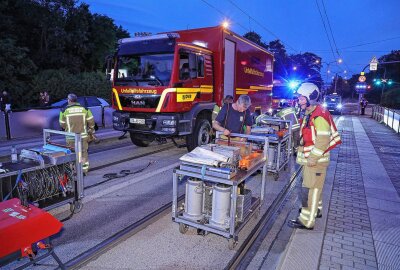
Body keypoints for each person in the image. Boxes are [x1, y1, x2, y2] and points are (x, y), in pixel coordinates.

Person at [288, 83, 341, 230]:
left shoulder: (318, 116)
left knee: (310, 190)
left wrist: (312, 158)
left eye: (301, 97)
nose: (299, 99)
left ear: (310, 98)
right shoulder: (312, 112)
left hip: (315, 161)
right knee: (315, 187)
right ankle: (315, 211)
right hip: (313, 160)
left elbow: (323, 141)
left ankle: (306, 220)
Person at [59, 93, 95, 175]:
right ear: (76, 100)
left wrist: (68, 128)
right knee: (83, 153)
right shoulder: (85, 109)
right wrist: (91, 130)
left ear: (69, 100)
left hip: (70, 137)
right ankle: (83, 170)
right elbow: (91, 121)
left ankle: (73, 170)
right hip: (83, 136)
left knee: (72, 153)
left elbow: (62, 124)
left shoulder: (63, 110)